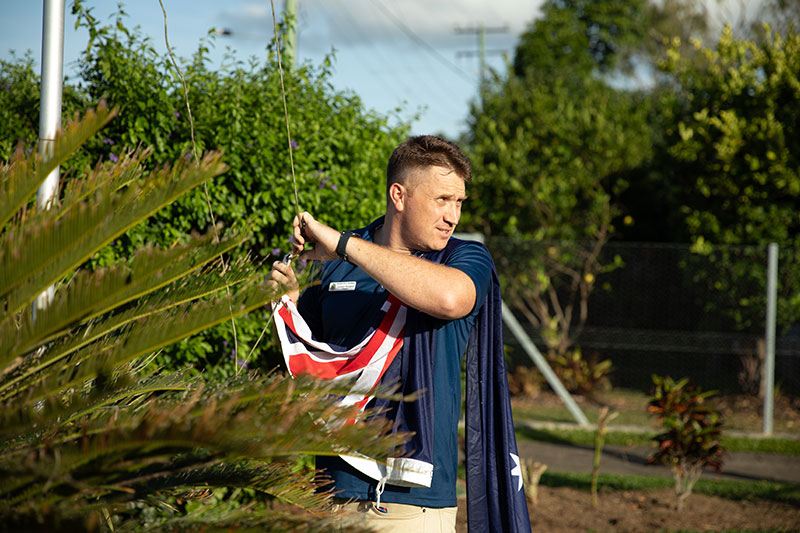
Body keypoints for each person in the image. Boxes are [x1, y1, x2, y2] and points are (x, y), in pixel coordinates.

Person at [268, 135, 530, 533]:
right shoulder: (338, 262)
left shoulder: (464, 257)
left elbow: (448, 298)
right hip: (331, 494)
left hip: (413, 504)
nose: (453, 216)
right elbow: (310, 366)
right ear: (399, 195)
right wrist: (288, 304)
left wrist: (342, 245)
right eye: (442, 199)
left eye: (458, 202)